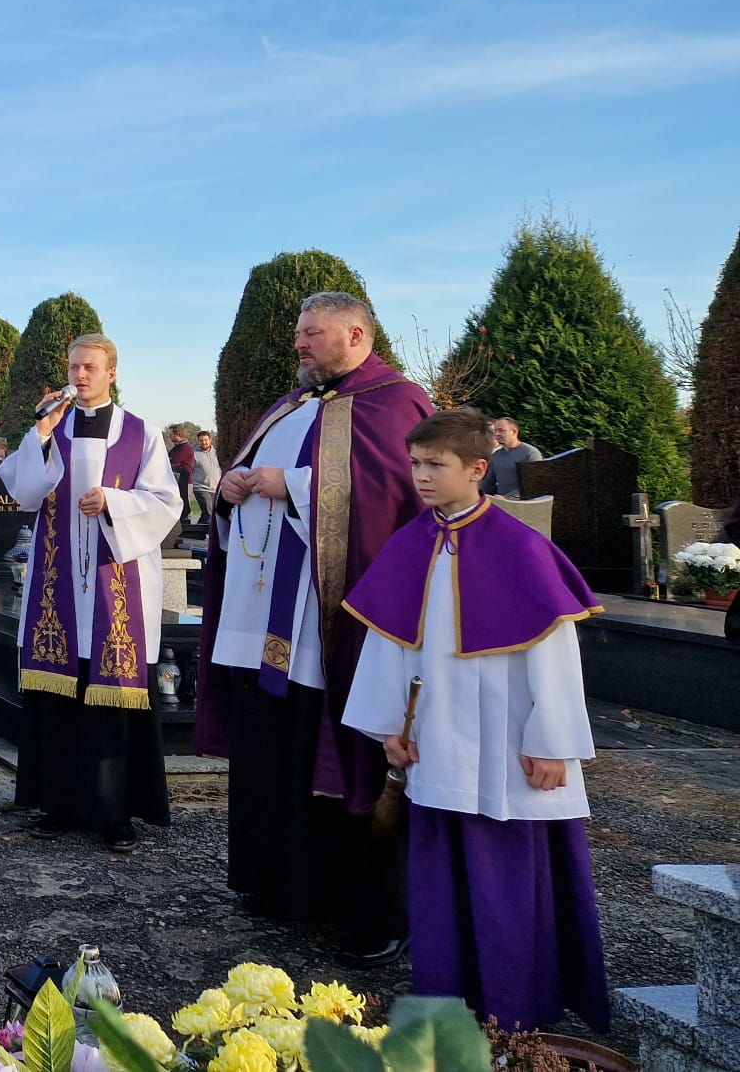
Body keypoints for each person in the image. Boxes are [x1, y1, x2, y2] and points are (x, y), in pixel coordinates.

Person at [343, 409, 607, 1030]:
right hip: (436, 739)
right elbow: (387, 642)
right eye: (415, 463)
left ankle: (518, 1014)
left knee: (507, 878)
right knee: (439, 878)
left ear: (477, 469)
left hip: (510, 747)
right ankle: (447, 1005)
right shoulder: (410, 544)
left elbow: (554, 653)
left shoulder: (521, 548)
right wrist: (389, 727)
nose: (420, 476)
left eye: (435, 465)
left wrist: (553, 742)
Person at [194, 291, 433, 967]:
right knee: (273, 751)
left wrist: (293, 486)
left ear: (356, 335)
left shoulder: (397, 403)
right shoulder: (289, 406)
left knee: (347, 755)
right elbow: (244, 484)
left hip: (334, 625)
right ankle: (282, 886)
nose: (299, 343)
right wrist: (231, 489)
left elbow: (392, 495)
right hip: (261, 622)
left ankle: (371, 912)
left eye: (313, 333)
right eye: (300, 332)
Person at [0, 335, 181, 852]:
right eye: (74, 366)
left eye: (90, 368)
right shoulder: (52, 426)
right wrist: (39, 433)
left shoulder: (141, 433)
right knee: (58, 697)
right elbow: (24, 492)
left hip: (113, 582)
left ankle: (114, 812)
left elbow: (165, 501)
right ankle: (57, 804)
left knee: (112, 702)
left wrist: (114, 502)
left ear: (111, 373)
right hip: (57, 583)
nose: (79, 375)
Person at [486, 418, 545, 498]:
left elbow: (532, 484)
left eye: (501, 430)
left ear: (514, 432)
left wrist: (507, 498)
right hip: (500, 501)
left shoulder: (530, 453)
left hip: (524, 503)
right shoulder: (496, 455)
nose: (497, 434)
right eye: (495, 431)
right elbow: (488, 483)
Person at [189, 431, 221, 525]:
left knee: (210, 514)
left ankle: (197, 531)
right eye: (201, 440)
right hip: (200, 487)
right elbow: (189, 470)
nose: (204, 442)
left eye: (206, 440)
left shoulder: (216, 453)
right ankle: (209, 533)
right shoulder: (194, 453)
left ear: (210, 440)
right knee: (209, 513)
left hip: (215, 488)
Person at [167, 426, 195, 507]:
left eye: (171, 434)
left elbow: (174, 461)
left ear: (177, 434)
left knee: (185, 505)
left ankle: (186, 516)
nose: (170, 436)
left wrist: (169, 460)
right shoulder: (177, 447)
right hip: (179, 481)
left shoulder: (185, 447)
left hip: (185, 481)